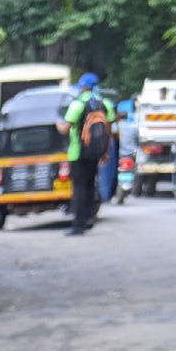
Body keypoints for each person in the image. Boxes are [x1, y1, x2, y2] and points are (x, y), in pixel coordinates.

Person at [56, 72, 117, 237]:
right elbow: (109, 131)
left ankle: (78, 225)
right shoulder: (105, 104)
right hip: (96, 152)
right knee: (90, 185)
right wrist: (106, 152)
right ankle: (89, 219)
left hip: (78, 153)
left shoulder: (77, 105)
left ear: (83, 87)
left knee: (79, 189)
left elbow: (65, 129)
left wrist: (57, 124)